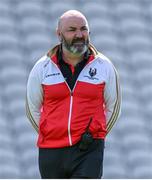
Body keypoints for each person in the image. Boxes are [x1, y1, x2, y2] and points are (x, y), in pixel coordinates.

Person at [26, 10, 121, 179]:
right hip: (51, 151)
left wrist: (97, 135)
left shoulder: (104, 66)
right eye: (72, 30)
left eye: (83, 29)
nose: (79, 34)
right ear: (59, 34)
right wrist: (50, 131)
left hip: (88, 149)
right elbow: (32, 109)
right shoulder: (42, 67)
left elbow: (114, 107)